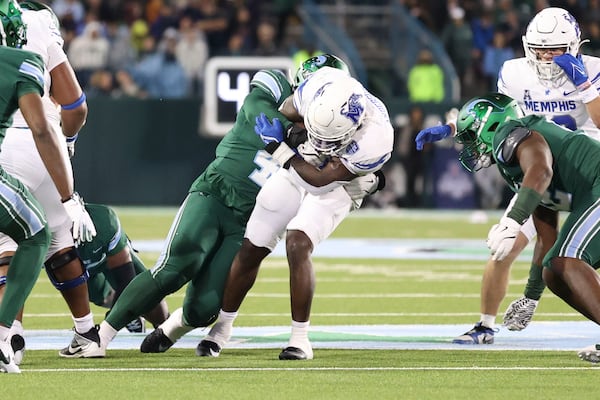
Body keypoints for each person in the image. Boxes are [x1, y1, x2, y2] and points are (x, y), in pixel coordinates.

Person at [96, 54, 359, 356]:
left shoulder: (336, 130)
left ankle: (176, 325)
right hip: (216, 193)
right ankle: (99, 336)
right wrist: (296, 133)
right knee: (177, 266)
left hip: (249, 221)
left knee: (204, 309)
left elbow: (356, 168)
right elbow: (255, 108)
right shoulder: (276, 86)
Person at [414, 7, 600, 344]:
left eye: (556, 49)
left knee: (572, 256)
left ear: (575, 46)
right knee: (505, 247)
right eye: (540, 49)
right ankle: (485, 324)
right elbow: (499, 114)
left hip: (583, 170)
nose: (546, 57)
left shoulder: (594, 69)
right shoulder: (515, 73)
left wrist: (584, 85)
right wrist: (453, 128)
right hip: (537, 168)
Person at [193, 63, 393, 361]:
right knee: (253, 245)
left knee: (298, 242)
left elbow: (321, 180)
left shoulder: (375, 139)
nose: (325, 143)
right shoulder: (319, 85)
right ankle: (222, 328)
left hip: (338, 182)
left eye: (331, 139)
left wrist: (281, 148)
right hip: (301, 162)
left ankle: (300, 339)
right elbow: (287, 111)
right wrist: (293, 134)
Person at [451, 91, 600, 363]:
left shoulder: (512, 134)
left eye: (471, 136)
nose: (471, 146)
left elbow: (541, 172)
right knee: (553, 272)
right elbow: (546, 233)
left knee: (567, 259)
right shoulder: (517, 164)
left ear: (489, 125)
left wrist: (512, 220)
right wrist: (531, 296)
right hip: (592, 191)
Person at [0, 1, 100, 360]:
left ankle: (9, 335)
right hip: (49, 139)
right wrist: (66, 146)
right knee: (59, 239)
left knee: (7, 243)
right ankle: (87, 332)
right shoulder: (38, 20)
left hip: (8, 144)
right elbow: (76, 105)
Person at [0, 203, 169, 365]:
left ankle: (165, 327)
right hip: (78, 272)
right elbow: (15, 279)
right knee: (104, 298)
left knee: (148, 297)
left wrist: (110, 325)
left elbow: (126, 281)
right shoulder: (37, 230)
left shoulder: (103, 223)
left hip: (105, 259)